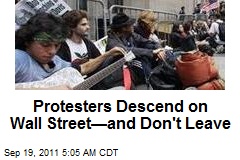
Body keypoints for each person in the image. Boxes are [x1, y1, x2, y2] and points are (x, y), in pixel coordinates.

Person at [15, 12, 124, 89]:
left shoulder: (57, 62)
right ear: (27, 41)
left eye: (57, 45)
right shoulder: (18, 58)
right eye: (45, 45)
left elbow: (82, 68)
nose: (52, 51)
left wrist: (108, 54)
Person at [57, 10, 125, 89]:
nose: (88, 27)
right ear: (72, 27)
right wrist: (108, 54)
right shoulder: (62, 46)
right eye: (83, 25)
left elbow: (99, 61)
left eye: (88, 24)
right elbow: (67, 72)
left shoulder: (87, 43)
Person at [101, 13, 166, 89]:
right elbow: (128, 51)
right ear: (124, 28)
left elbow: (146, 42)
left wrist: (159, 49)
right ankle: (154, 85)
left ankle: (158, 82)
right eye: (130, 25)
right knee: (141, 62)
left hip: (129, 67)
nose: (133, 26)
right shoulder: (112, 42)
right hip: (118, 75)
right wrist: (152, 52)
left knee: (148, 59)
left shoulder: (131, 35)